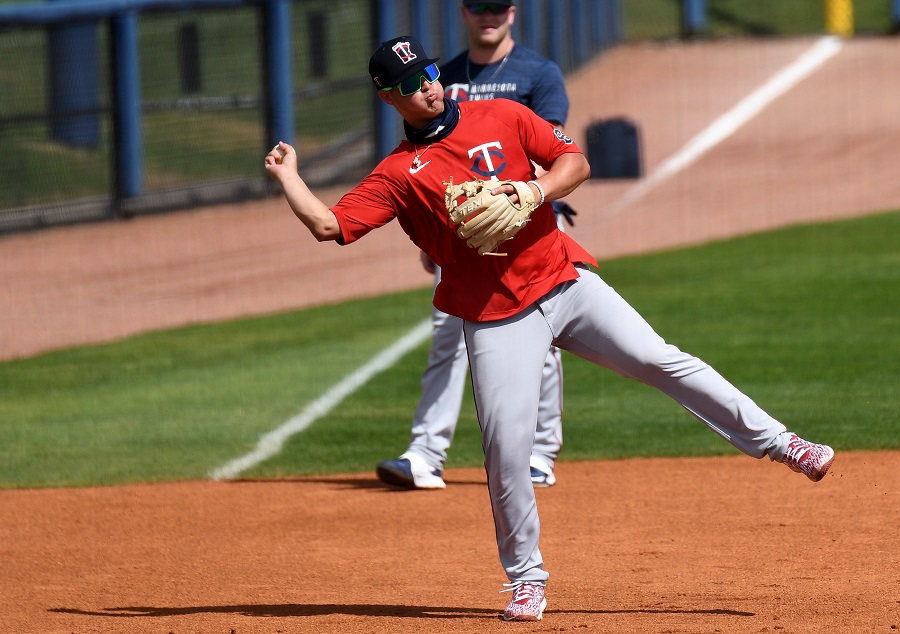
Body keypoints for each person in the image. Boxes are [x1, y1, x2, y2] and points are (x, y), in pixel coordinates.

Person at [264, 35, 835, 622]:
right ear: (388, 97)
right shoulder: (398, 175)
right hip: (494, 318)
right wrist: (288, 177)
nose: (427, 88)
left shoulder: (504, 115)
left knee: (662, 359)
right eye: (409, 84)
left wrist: (534, 189)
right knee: (505, 448)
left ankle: (782, 443)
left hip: (564, 282)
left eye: (429, 73)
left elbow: (576, 162)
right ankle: (527, 581)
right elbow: (329, 225)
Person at [376, 0, 572, 491]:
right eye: (477, 6)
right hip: (465, 240)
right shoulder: (439, 74)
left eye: (497, 5)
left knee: (543, 339)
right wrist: (439, 229)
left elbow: (546, 152)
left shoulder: (537, 72)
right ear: (462, 12)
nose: (488, 15)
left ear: (513, 10)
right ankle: (425, 454)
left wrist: (510, 204)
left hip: (530, 226)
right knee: (449, 336)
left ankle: (539, 453)